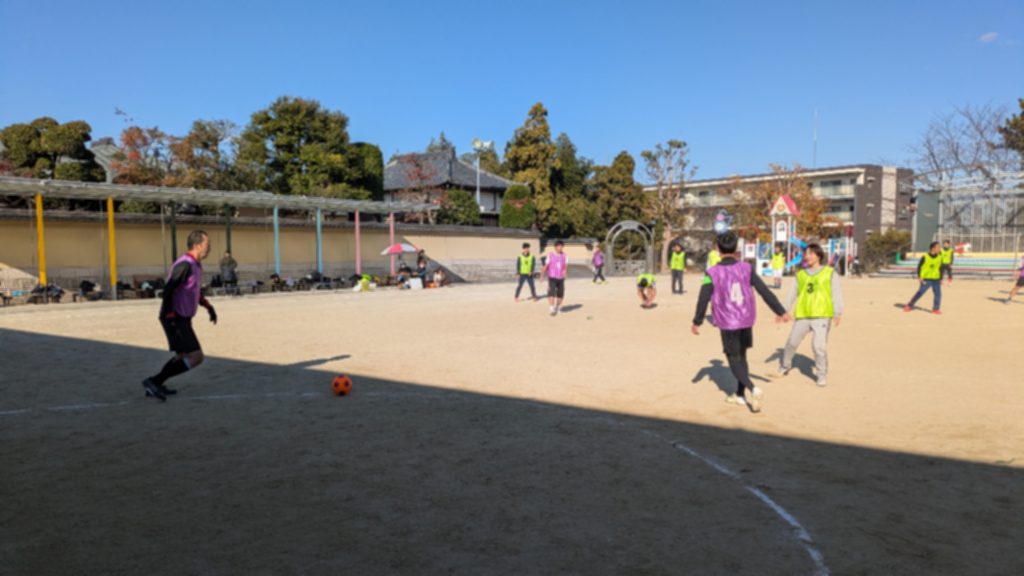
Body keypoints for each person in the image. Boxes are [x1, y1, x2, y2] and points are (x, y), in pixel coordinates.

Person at [691, 232, 790, 413]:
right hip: (745, 319)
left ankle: (753, 389)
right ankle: (739, 395)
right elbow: (764, 291)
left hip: (728, 321)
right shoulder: (747, 268)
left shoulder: (711, 272)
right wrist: (780, 310)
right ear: (736, 247)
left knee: (734, 359)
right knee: (742, 357)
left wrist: (697, 320)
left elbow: (703, 297)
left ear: (717, 248)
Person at [142, 230, 217, 401]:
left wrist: (208, 307)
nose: (210, 247)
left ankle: (155, 383)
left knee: (183, 354)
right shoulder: (185, 265)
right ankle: (153, 382)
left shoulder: (196, 265)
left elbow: (194, 291)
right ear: (197, 245)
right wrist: (170, 316)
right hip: (174, 317)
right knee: (196, 356)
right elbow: (168, 290)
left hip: (182, 317)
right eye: (207, 243)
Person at [772, 243, 843, 387]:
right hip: (803, 314)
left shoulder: (829, 273)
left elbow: (836, 293)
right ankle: (785, 366)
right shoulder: (801, 275)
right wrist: (782, 311)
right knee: (792, 343)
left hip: (822, 315)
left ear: (819, 255)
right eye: (806, 253)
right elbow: (791, 295)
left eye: (811, 253)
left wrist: (837, 312)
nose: (807, 256)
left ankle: (821, 374)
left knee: (818, 346)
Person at [904, 241, 944, 314]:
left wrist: (941, 278)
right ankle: (909, 305)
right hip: (926, 279)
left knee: (938, 294)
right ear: (933, 248)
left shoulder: (940, 257)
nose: (939, 249)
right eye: (938, 247)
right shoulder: (925, 256)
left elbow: (941, 268)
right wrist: (919, 277)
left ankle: (936, 309)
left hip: (936, 279)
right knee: (920, 292)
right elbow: (919, 267)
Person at [542, 240, 568, 316]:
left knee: (560, 294)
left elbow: (565, 265)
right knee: (551, 293)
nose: (560, 248)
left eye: (561, 246)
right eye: (558, 246)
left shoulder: (565, 255)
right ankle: (551, 308)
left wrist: (565, 271)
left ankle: (558, 307)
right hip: (552, 277)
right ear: (555, 247)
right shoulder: (550, 255)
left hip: (561, 277)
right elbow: (546, 266)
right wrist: (542, 275)